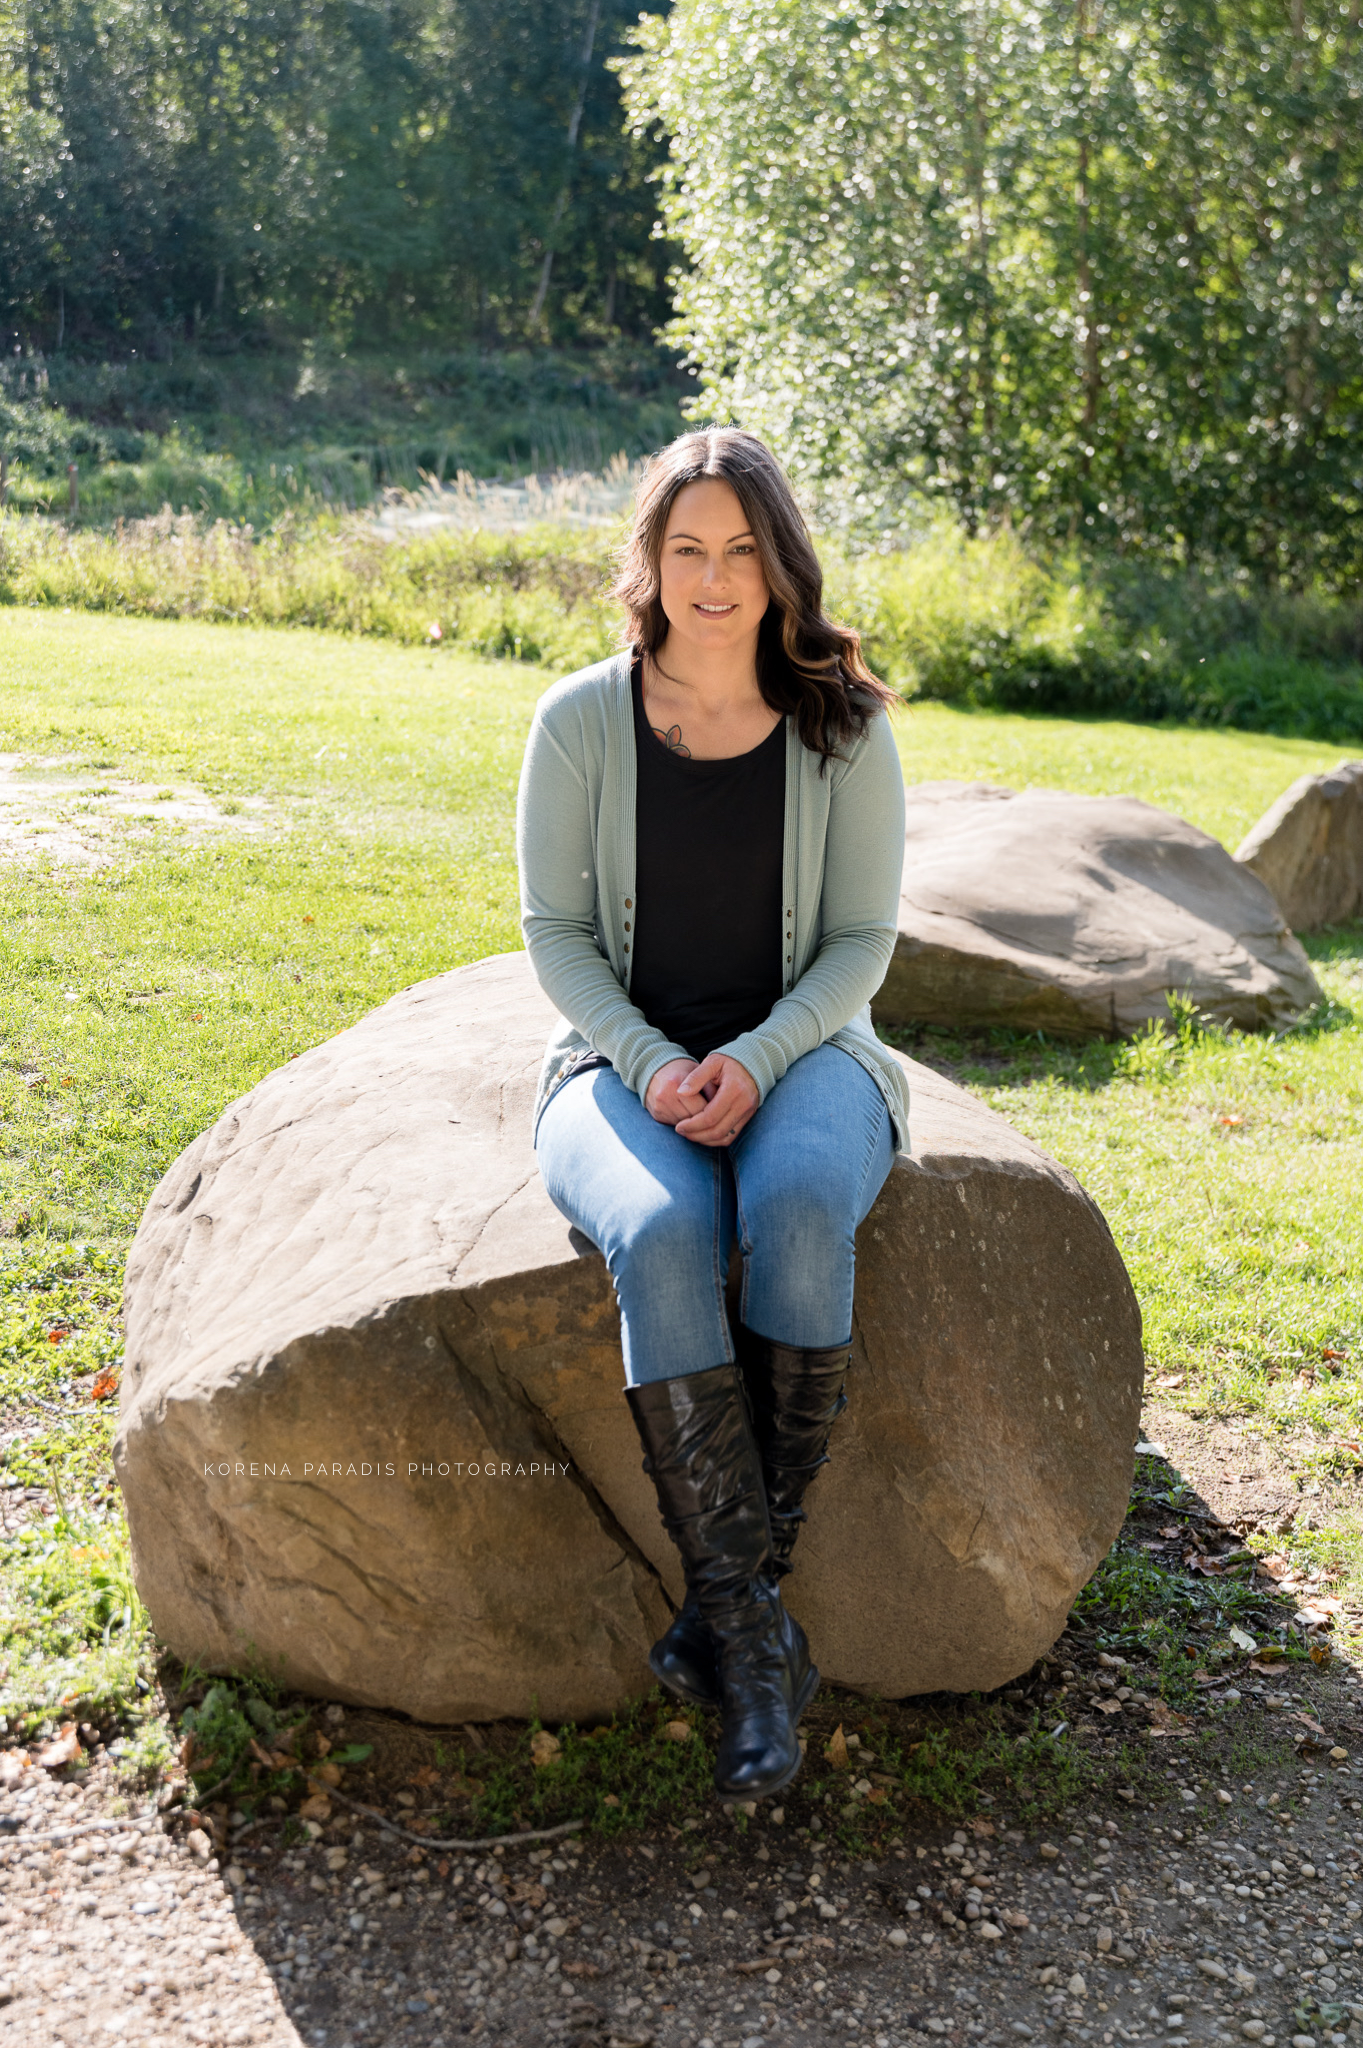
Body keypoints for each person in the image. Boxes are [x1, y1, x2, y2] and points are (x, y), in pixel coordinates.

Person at [515, 427, 910, 1802]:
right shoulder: (577, 720)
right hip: (614, 1068)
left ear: (780, 562)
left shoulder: (842, 725)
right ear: (651, 560)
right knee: (665, 1232)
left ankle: (731, 1626)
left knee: (800, 1207)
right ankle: (754, 1642)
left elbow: (860, 941)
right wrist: (641, 1062)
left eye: (742, 546)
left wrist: (755, 1057)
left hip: (805, 1057)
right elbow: (555, 935)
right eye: (687, 546)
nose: (715, 574)